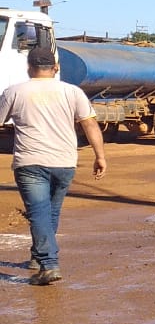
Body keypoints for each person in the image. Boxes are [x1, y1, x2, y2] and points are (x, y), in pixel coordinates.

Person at [0, 47, 107, 285]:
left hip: (29, 162)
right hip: (65, 162)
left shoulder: (14, 92)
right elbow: (90, 125)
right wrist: (100, 156)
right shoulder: (73, 92)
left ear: (29, 67)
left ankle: (49, 264)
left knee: (39, 213)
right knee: (50, 212)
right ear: (55, 67)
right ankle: (39, 258)